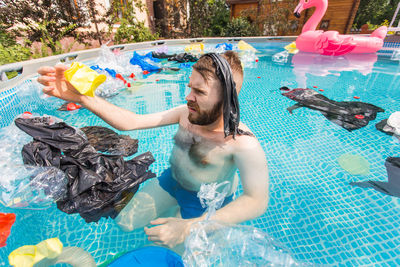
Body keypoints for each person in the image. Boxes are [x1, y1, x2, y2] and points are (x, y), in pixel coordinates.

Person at [37, 51, 269, 249]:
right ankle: (174, 212)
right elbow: (131, 122)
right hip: (172, 181)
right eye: (190, 87)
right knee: (125, 223)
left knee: (179, 255)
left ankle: (181, 217)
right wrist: (82, 98)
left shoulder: (242, 143)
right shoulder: (186, 114)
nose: (188, 97)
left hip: (203, 201)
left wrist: (189, 226)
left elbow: (256, 201)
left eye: (199, 91)